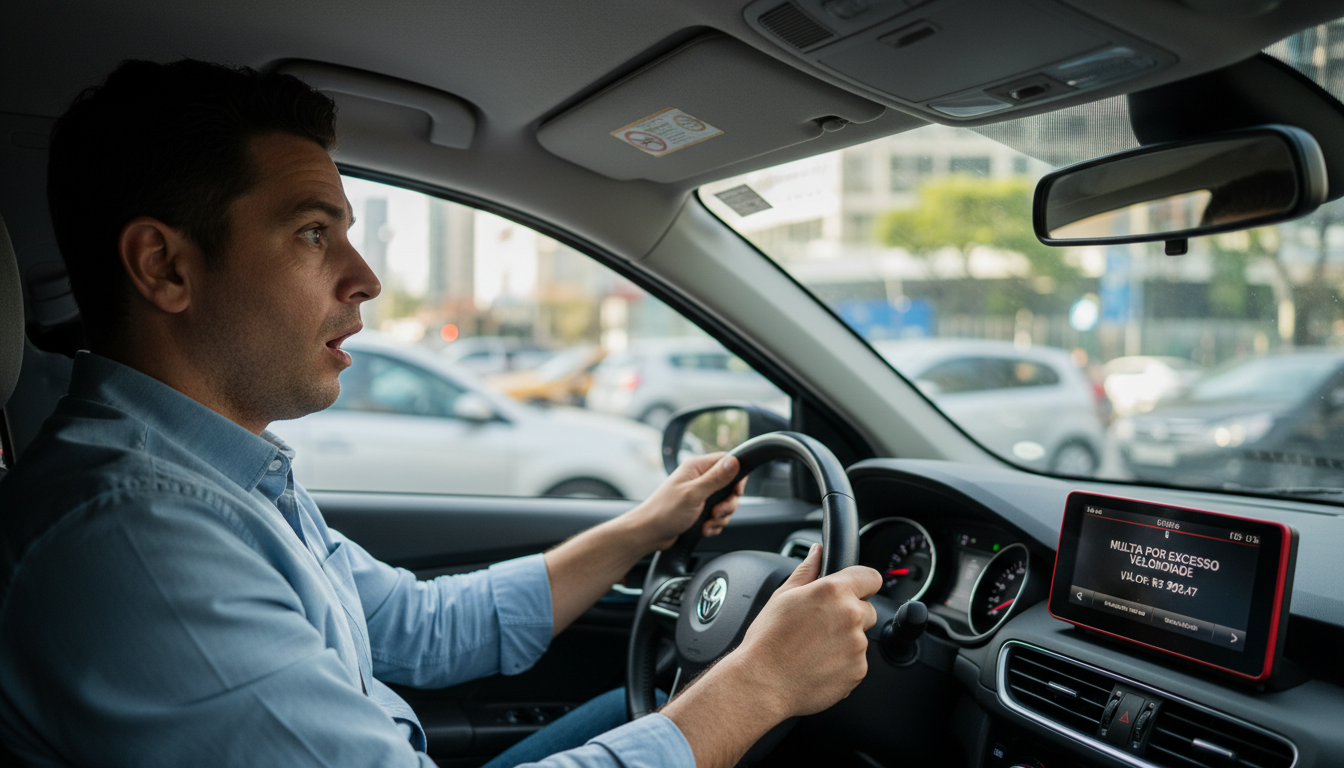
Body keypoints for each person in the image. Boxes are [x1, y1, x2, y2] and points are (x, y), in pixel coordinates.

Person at [0, 59, 882, 767]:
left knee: (645, 706)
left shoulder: (217, 475)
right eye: (314, 233)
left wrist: (644, 528)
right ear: (164, 267)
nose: (365, 278)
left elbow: (418, 628)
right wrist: (760, 686)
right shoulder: (137, 539)